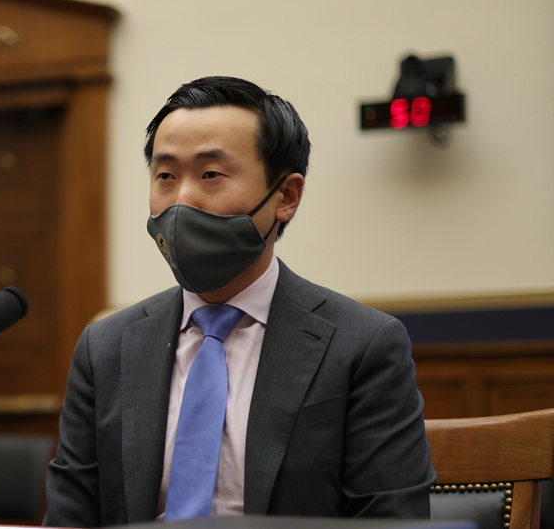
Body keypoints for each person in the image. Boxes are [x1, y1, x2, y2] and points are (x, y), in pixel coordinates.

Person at [43, 76, 435, 527]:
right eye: (165, 176)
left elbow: (390, 519)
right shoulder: (105, 347)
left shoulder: (363, 345)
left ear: (285, 197)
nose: (182, 200)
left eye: (211, 175)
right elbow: (70, 519)